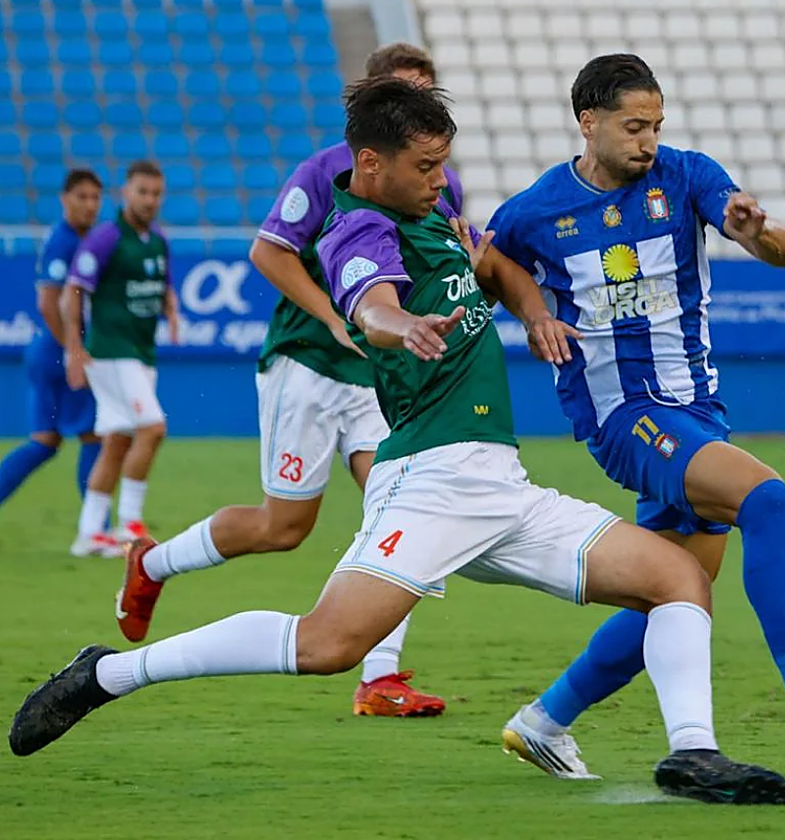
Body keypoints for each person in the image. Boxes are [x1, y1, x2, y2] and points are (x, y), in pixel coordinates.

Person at [9, 78, 785, 806]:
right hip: (431, 482)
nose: (439, 179)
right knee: (325, 645)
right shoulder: (357, 230)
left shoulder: (435, 215)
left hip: (503, 487)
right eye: (424, 167)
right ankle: (109, 674)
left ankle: (693, 752)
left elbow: (498, 267)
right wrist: (400, 324)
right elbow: (371, 304)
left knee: (679, 578)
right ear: (369, 164)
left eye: (442, 164)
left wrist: (534, 311)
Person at [487, 54, 785, 778]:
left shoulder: (686, 175)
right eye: (633, 126)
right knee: (765, 498)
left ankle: (543, 721)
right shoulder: (535, 212)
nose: (648, 140)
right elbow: (486, 271)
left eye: (656, 125)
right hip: (625, 417)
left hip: (697, 412)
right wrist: (529, 312)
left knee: (676, 593)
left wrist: (755, 230)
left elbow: (784, 252)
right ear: (588, 122)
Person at [116, 43, 455, 718]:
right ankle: (151, 564)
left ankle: (380, 678)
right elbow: (267, 251)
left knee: (408, 508)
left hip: (379, 378)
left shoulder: (437, 181)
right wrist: (334, 316)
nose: (415, 106)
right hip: (307, 366)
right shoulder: (325, 172)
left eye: (425, 93)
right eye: (402, 92)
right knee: (283, 526)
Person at [62, 161, 178, 557]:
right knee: (153, 428)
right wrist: (74, 348)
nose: (150, 200)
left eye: (156, 193)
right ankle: (129, 522)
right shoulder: (106, 238)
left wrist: (172, 310)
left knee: (117, 442)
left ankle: (89, 532)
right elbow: (73, 291)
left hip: (141, 352)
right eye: (142, 192)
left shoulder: (157, 240)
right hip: (112, 351)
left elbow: (163, 286)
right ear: (126, 192)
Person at [0, 170, 103, 511]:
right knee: (94, 435)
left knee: (44, 441)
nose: (90, 205)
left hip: (47, 352)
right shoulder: (65, 242)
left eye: (95, 198)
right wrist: (74, 351)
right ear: (64, 199)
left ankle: (96, 526)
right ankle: (97, 528)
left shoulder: (76, 238)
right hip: (59, 354)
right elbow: (48, 302)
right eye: (82, 197)